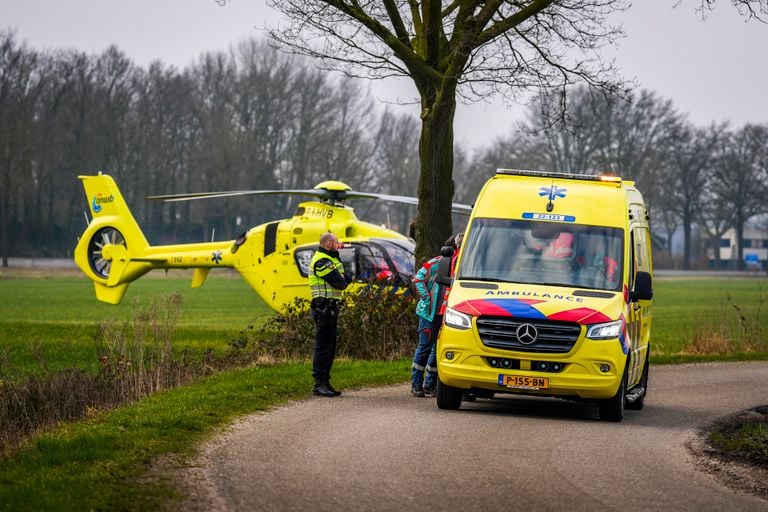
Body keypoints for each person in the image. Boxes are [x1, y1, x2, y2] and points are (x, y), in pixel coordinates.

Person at [410, 232, 463, 397]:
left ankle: (430, 384)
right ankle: (416, 384)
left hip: (448, 314)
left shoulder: (463, 265)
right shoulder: (436, 262)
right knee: (425, 347)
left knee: (437, 349)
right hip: (429, 313)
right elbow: (418, 279)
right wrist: (427, 298)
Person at [308, 232, 352, 397]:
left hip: (331, 309)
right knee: (323, 347)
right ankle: (319, 384)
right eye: (336, 242)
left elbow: (346, 278)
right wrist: (344, 279)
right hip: (323, 308)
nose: (339, 244)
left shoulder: (332, 259)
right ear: (328, 244)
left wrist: (344, 278)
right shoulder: (322, 261)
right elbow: (341, 283)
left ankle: (325, 382)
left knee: (330, 347)